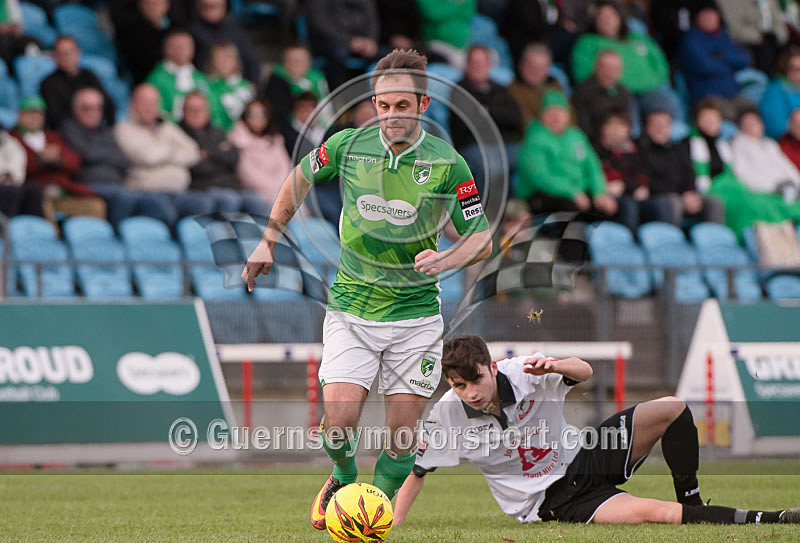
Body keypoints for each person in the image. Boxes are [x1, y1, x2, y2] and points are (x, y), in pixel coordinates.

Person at [240, 49, 492, 532]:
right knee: (338, 423)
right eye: (382, 105)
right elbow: (298, 179)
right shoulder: (347, 146)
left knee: (400, 436)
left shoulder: (448, 164)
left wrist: (446, 258)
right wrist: (268, 239)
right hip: (352, 311)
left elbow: (479, 235)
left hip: (415, 318)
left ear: (423, 105)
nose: (391, 115)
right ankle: (342, 476)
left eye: (402, 105)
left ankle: (371, 508)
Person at [393, 334, 800, 526]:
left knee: (673, 408)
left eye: (475, 380)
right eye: (458, 385)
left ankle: (691, 499)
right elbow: (417, 476)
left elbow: (584, 372)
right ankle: (778, 518)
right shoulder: (448, 415)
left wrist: (555, 365)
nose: (469, 392)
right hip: (550, 503)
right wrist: (388, 527)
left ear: (492, 367)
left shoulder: (526, 373)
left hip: (584, 457)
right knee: (654, 513)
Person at [61, 87, 178, 227]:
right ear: (76, 109)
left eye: (98, 108)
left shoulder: (106, 130)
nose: (93, 112)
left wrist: (100, 155)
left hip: (117, 184)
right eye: (87, 108)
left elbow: (123, 160)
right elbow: (89, 154)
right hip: (89, 184)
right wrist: (106, 155)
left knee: (155, 202)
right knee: (126, 197)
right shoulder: (70, 128)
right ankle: (115, 236)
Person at [690, 98, 795, 237]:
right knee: (754, 205)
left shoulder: (725, 145)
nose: (711, 122)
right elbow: (742, 174)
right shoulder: (735, 144)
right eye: (706, 118)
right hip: (718, 189)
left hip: (736, 186)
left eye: (714, 119)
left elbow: (788, 169)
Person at [114, 83, 215, 226]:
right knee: (165, 210)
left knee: (204, 204)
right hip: (145, 192)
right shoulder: (124, 129)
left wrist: (161, 152)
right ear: (133, 104)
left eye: (153, 103)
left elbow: (193, 152)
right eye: (144, 102)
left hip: (178, 191)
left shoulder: (167, 127)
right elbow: (148, 157)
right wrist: (171, 148)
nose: (149, 107)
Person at [516, 89, 618, 218]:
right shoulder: (534, 138)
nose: (556, 117)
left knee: (613, 207)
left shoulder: (576, 135)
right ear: (542, 115)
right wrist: (572, 192)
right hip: (543, 195)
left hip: (579, 192)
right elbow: (541, 177)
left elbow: (593, 166)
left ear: (568, 114)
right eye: (551, 112)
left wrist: (599, 192)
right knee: (571, 209)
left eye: (560, 111)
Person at [570, 1, 678, 121]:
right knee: (627, 116)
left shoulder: (637, 38)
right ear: (595, 21)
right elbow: (583, 74)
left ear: (620, 17)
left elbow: (660, 63)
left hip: (649, 89)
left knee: (664, 110)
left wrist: (653, 81)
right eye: (602, 17)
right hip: (613, 93)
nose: (607, 21)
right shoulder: (587, 43)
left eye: (611, 16)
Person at [11, 95, 106, 219]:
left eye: (39, 113)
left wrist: (58, 160)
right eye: (30, 113)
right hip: (37, 193)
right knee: (42, 206)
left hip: (62, 191)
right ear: (19, 116)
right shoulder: (12, 138)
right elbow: (15, 168)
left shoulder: (53, 137)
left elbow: (75, 162)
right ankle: (52, 237)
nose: (35, 117)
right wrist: (40, 160)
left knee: (95, 206)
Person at [449, 45, 521, 192]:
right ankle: (485, 210)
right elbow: (466, 124)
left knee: (529, 159)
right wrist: (496, 114)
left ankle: (518, 210)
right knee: (492, 167)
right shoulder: (459, 90)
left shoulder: (500, 89)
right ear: (467, 65)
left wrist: (487, 111)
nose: (478, 67)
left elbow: (515, 117)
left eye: (482, 63)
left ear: (489, 65)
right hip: (474, 145)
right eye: (474, 63)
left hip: (504, 143)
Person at [181, 91, 265, 214]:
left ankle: (259, 233)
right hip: (201, 187)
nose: (196, 113)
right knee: (229, 199)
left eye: (200, 109)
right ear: (183, 111)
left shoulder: (218, 132)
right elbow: (196, 166)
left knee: (255, 198)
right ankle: (226, 233)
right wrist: (219, 154)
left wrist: (208, 154)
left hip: (229, 184)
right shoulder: (179, 133)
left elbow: (233, 157)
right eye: (191, 109)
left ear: (208, 111)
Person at [638, 108, 725, 225]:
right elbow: (646, 180)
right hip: (657, 198)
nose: (660, 129)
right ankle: (671, 241)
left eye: (664, 126)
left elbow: (689, 172)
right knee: (673, 202)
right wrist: (681, 196)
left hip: (682, 196)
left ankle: (716, 240)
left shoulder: (677, 149)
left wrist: (691, 193)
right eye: (656, 125)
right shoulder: (640, 150)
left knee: (713, 202)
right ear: (647, 127)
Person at [594, 110, 672, 232]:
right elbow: (592, 175)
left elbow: (642, 176)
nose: (615, 129)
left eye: (620, 125)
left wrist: (626, 186)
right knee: (629, 206)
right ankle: (629, 245)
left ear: (627, 130)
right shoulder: (595, 151)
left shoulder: (635, 150)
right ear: (603, 128)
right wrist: (600, 190)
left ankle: (663, 242)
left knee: (662, 204)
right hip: (604, 196)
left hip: (630, 193)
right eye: (611, 125)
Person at [677, 2, 750, 107]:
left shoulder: (724, 36)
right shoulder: (691, 40)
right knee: (730, 116)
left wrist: (721, 56)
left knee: (752, 115)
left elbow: (744, 59)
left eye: (712, 15)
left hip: (732, 93)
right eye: (704, 16)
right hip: (706, 97)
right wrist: (730, 65)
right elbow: (705, 66)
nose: (709, 19)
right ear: (697, 18)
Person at [40, 36, 115, 129]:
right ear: (55, 56)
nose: (67, 56)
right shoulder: (48, 83)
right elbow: (56, 117)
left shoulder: (89, 75)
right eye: (62, 53)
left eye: (71, 51)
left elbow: (107, 103)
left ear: (78, 53)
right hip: (71, 132)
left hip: (97, 129)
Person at [731, 106, 800, 207]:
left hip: (787, 188)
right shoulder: (738, 145)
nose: (752, 126)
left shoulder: (770, 144)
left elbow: (786, 166)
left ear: (762, 125)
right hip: (765, 192)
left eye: (755, 122)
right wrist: (773, 187)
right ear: (741, 128)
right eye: (748, 124)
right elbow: (742, 173)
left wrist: (796, 183)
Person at [227, 99, 292, 204]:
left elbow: (285, 167)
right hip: (254, 193)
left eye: (263, 114)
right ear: (245, 116)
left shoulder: (276, 139)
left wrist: (281, 188)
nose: (257, 118)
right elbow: (246, 173)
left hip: (280, 191)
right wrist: (275, 190)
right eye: (252, 113)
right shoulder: (238, 140)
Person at [306, 0, 380, 88]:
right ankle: (335, 94)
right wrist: (349, 41)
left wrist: (371, 40)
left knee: (388, 56)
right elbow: (320, 23)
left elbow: (372, 19)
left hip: (362, 41)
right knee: (338, 53)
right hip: (328, 41)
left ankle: (370, 97)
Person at [146, 29, 213, 123]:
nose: (181, 50)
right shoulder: (156, 79)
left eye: (185, 46)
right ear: (166, 49)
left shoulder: (201, 78)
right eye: (176, 46)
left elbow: (212, 108)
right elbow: (158, 112)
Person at [188, 0, 260, 83]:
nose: (211, 10)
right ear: (199, 7)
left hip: (235, 83)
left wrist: (252, 86)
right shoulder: (191, 31)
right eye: (206, 6)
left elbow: (252, 62)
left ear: (224, 7)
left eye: (215, 6)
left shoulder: (234, 30)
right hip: (205, 84)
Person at [572, 49, 636, 141]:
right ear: (596, 68)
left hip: (618, 142)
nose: (609, 72)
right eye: (605, 67)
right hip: (592, 143)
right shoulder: (583, 92)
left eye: (614, 68)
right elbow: (583, 128)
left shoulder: (623, 91)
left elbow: (626, 122)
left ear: (620, 70)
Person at [262, 44, 330, 127]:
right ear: (285, 62)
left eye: (302, 60)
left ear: (309, 62)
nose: (298, 64)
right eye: (293, 60)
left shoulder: (317, 78)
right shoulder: (277, 80)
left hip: (316, 125)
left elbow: (325, 106)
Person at [716, 0, 788, 75]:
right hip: (748, 41)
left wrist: (778, 36)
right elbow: (736, 29)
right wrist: (759, 37)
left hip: (772, 38)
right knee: (765, 52)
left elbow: (779, 23)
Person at [110, 0, 173, 84]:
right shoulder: (129, 29)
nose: (152, 7)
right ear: (140, 5)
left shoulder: (176, 28)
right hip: (141, 79)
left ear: (166, 5)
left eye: (156, 4)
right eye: (148, 4)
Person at [507, 44, 563, 135]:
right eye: (531, 66)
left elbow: (570, 117)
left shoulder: (555, 87)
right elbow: (526, 124)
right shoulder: (512, 91)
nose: (536, 71)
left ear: (547, 70)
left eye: (541, 67)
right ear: (521, 65)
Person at [206, 42, 255, 132]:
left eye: (228, 57)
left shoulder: (247, 87)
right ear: (213, 61)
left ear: (236, 60)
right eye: (219, 57)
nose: (223, 62)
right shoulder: (207, 85)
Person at [416, 0, 475, 70]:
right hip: (437, 46)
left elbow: (469, 12)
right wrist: (456, 4)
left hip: (465, 45)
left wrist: (447, 5)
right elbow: (433, 12)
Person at [0, 126, 44, 218]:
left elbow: (18, 159)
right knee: (10, 192)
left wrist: (10, 176)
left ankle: (33, 225)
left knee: (34, 189)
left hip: (13, 181)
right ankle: (5, 227)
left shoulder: (8, 140)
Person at [760, 47, 800, 139]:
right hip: (785, 143)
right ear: (785, 70)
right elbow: (775, 124)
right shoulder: (775, 90)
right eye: (794, 69)